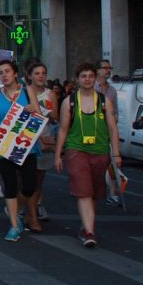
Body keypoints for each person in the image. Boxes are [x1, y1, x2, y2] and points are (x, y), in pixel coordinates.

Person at [55, 62, 121, 248]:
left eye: (90, 76)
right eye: (83, 76)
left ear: (95, 78)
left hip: (100, 151)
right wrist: (58, 154)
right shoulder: (69, 101)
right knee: (83, 192)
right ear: (78, 79)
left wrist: (116, 154)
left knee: (93, 193)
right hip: (77, 150)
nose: (87, 80)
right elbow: (63, 130)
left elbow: (113, 128)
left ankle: (86, 226)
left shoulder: (104, 101)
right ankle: (90, 232)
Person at [0, 60, 42, 242]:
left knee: (30, 185)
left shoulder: (26, 91)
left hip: (25, 144)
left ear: (15, 74)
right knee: (10, 184)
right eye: (1, 72)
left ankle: (14, 208)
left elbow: (38, 113)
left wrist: (33, 109)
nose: (4, 75)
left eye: (7, 71)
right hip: (3, 144)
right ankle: (15, 225)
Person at [25, 61, 56, 222]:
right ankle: (25, 206)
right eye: (37, 73)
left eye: (43, 73)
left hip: (43, 138)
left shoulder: (50, 94)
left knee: (39, 177)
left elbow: (55, 118)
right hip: (26, 138)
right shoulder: (22, 93)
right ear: (30, 76)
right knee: (25, 177)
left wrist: (44, 112)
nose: (41, 76)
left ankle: (38, 205)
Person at [95, 58, 122, 206]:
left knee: (111, 162)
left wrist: (113, 119)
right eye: (105, 68)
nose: (108, 70)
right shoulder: (92, 87)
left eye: (109, 68)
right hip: (93, 130)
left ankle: (112, 193)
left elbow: (116, 110)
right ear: (97, 70)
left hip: (108, 130)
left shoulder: (112, 90)